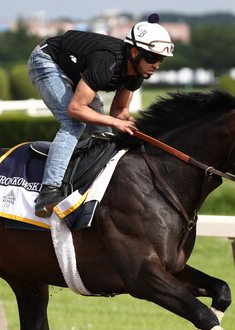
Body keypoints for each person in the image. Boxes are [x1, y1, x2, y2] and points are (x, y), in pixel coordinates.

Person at [27, 13, 174, 217]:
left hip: (74, 69)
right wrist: (115, 122)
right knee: (73, 123)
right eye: (152, 57)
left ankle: (91, 185)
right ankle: (48, 192)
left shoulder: (138, 74)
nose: (157, 65)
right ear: (133, 51)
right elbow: (76, 109)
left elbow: (119, 112)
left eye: (161, 59)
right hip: (47, 60)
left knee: (102, 133)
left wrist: (141, 128)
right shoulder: (108, 62)